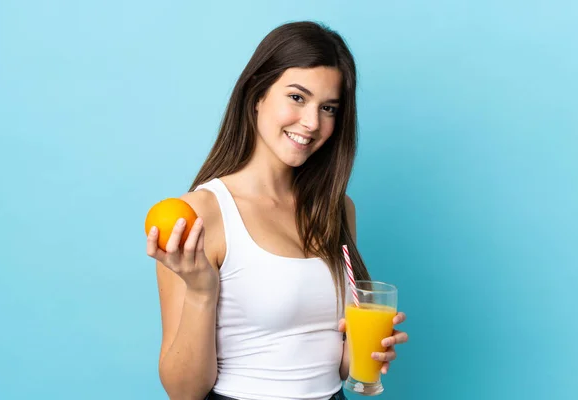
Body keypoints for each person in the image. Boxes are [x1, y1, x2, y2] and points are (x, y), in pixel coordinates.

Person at [146, 21, 409, 400]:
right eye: (297, 98)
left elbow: (335, 363)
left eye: (329, 107)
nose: (312, 123)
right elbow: (184, 392)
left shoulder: (337, 210)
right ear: (257, 94)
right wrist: (201, 291)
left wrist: (369, 347)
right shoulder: (200, 216)